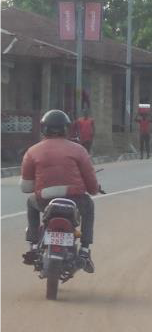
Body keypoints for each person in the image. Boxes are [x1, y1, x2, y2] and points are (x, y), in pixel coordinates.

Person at [21, 109, 99, 272]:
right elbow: (92, 186)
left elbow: (26, 187)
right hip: (75, 201)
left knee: (30, 202)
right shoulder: (79, 150)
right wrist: (92, 189)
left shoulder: (32, 151)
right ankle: (84, 251)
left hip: (45, 201)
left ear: (44, 129)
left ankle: (34, 244)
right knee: (89, 206)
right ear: (66, 129)